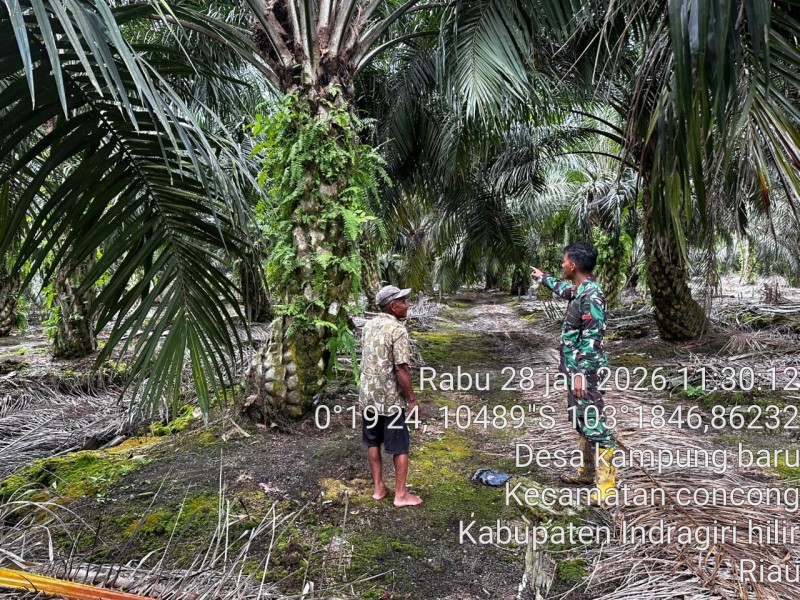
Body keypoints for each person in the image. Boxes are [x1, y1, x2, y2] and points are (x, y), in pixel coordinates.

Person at [531, 242, 617, 504]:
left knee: (595, 425)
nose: (561, 264)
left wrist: (580, 372)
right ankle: (587, 473)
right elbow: (566, 291)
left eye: (563, 261)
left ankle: (606, 486)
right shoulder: (580, 289)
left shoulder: (592, 295)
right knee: (581, 422)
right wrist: (544, 279)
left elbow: (594, 337)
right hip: (575, 370)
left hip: (586, 371)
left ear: (574, 265)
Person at [358, 284, 423, 507]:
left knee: (373, 442)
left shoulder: (368, 326)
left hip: (368, 397)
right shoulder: (397, 330)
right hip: (390, 400)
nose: (407, 305)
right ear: (393, 306)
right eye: (403, 302)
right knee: (400, 446)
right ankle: (401, 495)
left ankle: (379, 489)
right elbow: (401, 368)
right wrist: (412, 399)